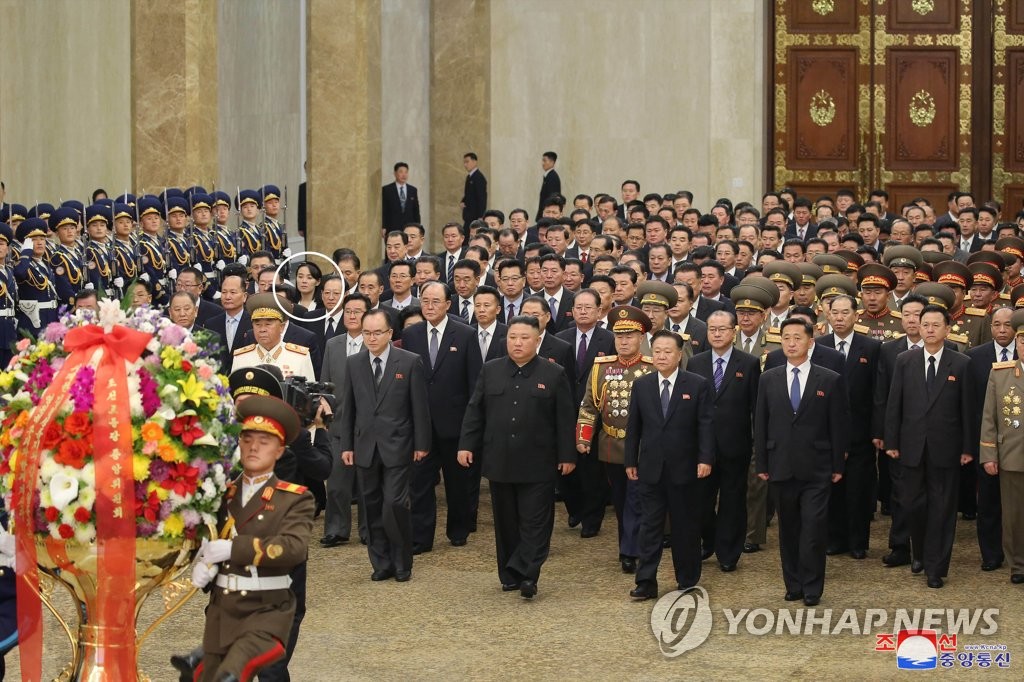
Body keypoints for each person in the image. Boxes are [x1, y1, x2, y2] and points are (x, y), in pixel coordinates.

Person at [188, 395, 314, 682]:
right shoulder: (224, 493)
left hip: (268, 605)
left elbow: (293, 548)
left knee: (262, 672)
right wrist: (203, 561)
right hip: (224, 607)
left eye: (264, 441)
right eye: (246, 439)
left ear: (280, 451)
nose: (253, 447)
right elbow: (210, 538)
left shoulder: (294, 498)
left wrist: (233, 549)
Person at [458, 316, 576, 599]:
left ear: (537, 341)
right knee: (506, 521)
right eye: (513, 337)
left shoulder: (553, 374)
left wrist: (567, 455)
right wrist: (466, 445)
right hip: (500, 459)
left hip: (539, 462)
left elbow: (564, 419)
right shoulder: (491, 370)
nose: (518, 343)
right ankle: (509, 574)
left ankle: (529, 574)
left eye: (525, 337)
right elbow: (475, 412)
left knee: (535, 521)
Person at [755, 318, 849, 606]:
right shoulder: (768, 378)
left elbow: (839, 425)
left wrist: (837, 465)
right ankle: (792, 583)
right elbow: (761, 422)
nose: (791, 343)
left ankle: (812, 586)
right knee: (789, 529)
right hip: (780, 464)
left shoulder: (829, 379)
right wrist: (761, 463)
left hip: (817, 466)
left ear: (810, 342)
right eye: (786, 338)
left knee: (813, 528)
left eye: (797, 338)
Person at [884, 305, 975, 589]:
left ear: (948, 329)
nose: (931, 329)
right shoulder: (904, 360)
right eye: (926, 325)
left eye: (937, 325)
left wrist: (968, 447)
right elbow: (894, 404)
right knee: (913, 504)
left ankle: (936, 567)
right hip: (911, 446)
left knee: (943, 508)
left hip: (946, 448)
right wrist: (892, 441)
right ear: (919, 328)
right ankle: (920, 552)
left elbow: (967, 410)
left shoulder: (960, 363)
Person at [339, 310, 431, 582]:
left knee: (394, 504)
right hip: (364, 445)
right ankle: (380, 562)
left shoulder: (409, 362)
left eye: (377, 332)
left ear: (390, 333)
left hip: (399, 445)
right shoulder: (354, 363)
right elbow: (349, 407)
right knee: (371, 505)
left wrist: (422, 443)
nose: (371, 338)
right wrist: (347, 445)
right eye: (366, 332)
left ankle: (402, 561)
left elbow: (420, 408)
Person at [624, 330, 714, 600]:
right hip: (650, 467)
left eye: (668, 352)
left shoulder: (697, 385)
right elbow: (634, 427)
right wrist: (630, 460)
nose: (661, 356)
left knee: (685, 526)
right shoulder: (642, 385)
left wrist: (705, 459)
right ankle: (646, 582)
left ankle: (687, 579)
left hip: (685, 468)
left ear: (679, 355)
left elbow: (706, 426)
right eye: (658, 351)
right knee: (649, 527)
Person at [400, 281, 480, 552]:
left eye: (436, 302)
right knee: (419, 483)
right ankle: (420, 537)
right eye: (425, 301)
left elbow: (474, 384)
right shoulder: (411, 335)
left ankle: (458, 529)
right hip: (421, 424)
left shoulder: (466, 334)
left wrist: (471, 429)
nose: (429, 306)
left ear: (448, 304)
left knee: (457, 483)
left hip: (455, 425)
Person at [689, 310, 761, 572]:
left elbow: (756, 407)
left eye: (722, 329)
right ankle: (708, 541)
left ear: (734, 332)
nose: (717, 334)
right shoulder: (696, 363)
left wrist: (756, 443)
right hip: (702, 448)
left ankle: (729, 552)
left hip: (736, 445)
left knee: (732, 500)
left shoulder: (749, 363)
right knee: (702, 500)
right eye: (712, 329)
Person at [816, 293, 881, 560]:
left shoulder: (872, 347)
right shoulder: (818, 347)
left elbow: (878, 393)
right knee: (832, 487)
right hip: (826, 431)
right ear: (827, 316)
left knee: (857, 488)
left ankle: (858, 541)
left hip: (860, 430)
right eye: (835, 313)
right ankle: (835, 538)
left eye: (845, 313)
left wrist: (877, 430)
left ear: (856, 315)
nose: (840, 318)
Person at [556, 288, 615, 536]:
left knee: (593, 471)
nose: (582, 311)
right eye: (578, 307)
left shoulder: (609, 339)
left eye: (588, 307)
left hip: (597, 413)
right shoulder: (561, 338)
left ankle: (592, 518)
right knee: (566, 467)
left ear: (599, 311)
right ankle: (575, 508)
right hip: (565, 411)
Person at [968, 307, 1019, 572]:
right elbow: (971, 405)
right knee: (988, 502)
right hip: (987, 441)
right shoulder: (974, 358)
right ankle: (991, 553)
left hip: (1016, 444)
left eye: (1007, 325)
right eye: (996, 324)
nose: (1001, 330)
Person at [979, 309, 1024, 584]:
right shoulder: (1001, 374)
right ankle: (1018, 564)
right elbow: (989, 418)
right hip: (1012, 455)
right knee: (1014, 515)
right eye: (1022, 341)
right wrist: (988, 455)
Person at [232, 294, 316, 380]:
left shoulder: (299, 357)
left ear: (281, 327)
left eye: (268, 324)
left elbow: (308, 391)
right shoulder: (241, 357)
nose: (262, 329)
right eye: (257, 324)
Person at [381, 162, 421, 237]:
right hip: (392, 227)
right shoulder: (387, 190)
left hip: (409, 229)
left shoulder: (412, 190)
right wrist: (383, 226)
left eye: (406, 172)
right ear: (395, 173)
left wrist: (418, 227)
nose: (404, 175)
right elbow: (384, 209)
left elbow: (416, 210)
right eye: (401, 172)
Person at [460, 152, 487, 229]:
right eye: (464, 162)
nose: (465, 165)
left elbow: (482, 198)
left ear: (474, 162)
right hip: (468, 215)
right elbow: (468, 193)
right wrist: (463, 201)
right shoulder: (469, 177)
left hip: (475, 216)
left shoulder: (479, 177)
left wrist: (481, 216)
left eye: (467, 162)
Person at [538, 151, 561, 219]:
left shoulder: (552, 177)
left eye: (545, 161)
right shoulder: (548, 176)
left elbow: (552, 198)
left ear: (552, 162)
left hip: (548, 217)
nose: (543, 163)